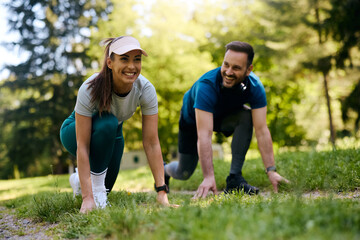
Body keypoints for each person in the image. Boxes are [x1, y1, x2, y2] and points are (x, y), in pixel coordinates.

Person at [164, 41, 289, 198]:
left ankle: (234, 178)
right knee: (184, 172)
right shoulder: (206, 85)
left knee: (246, 115)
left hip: (223, 117)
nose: (228, 72)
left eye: (236, 68)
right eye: (226, 65)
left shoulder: (255, 87)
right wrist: (209, 177)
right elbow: (204, 135)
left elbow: (262, 130)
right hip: (193, 122)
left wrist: (271, 171)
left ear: (249, 69)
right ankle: (165, 170)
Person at [60, 36, 170, 213]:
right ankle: (91, 192)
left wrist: (161, 191)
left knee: (106, 187)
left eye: (137, 59)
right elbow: (83, 145)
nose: (132, 66)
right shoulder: (90, 87)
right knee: (108, 122)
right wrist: (88, 198)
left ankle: (79, 182)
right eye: (124, 59)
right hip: (75, 132)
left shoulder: (145, 89)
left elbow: (151, 142)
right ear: (110, 63)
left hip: (113, 133)